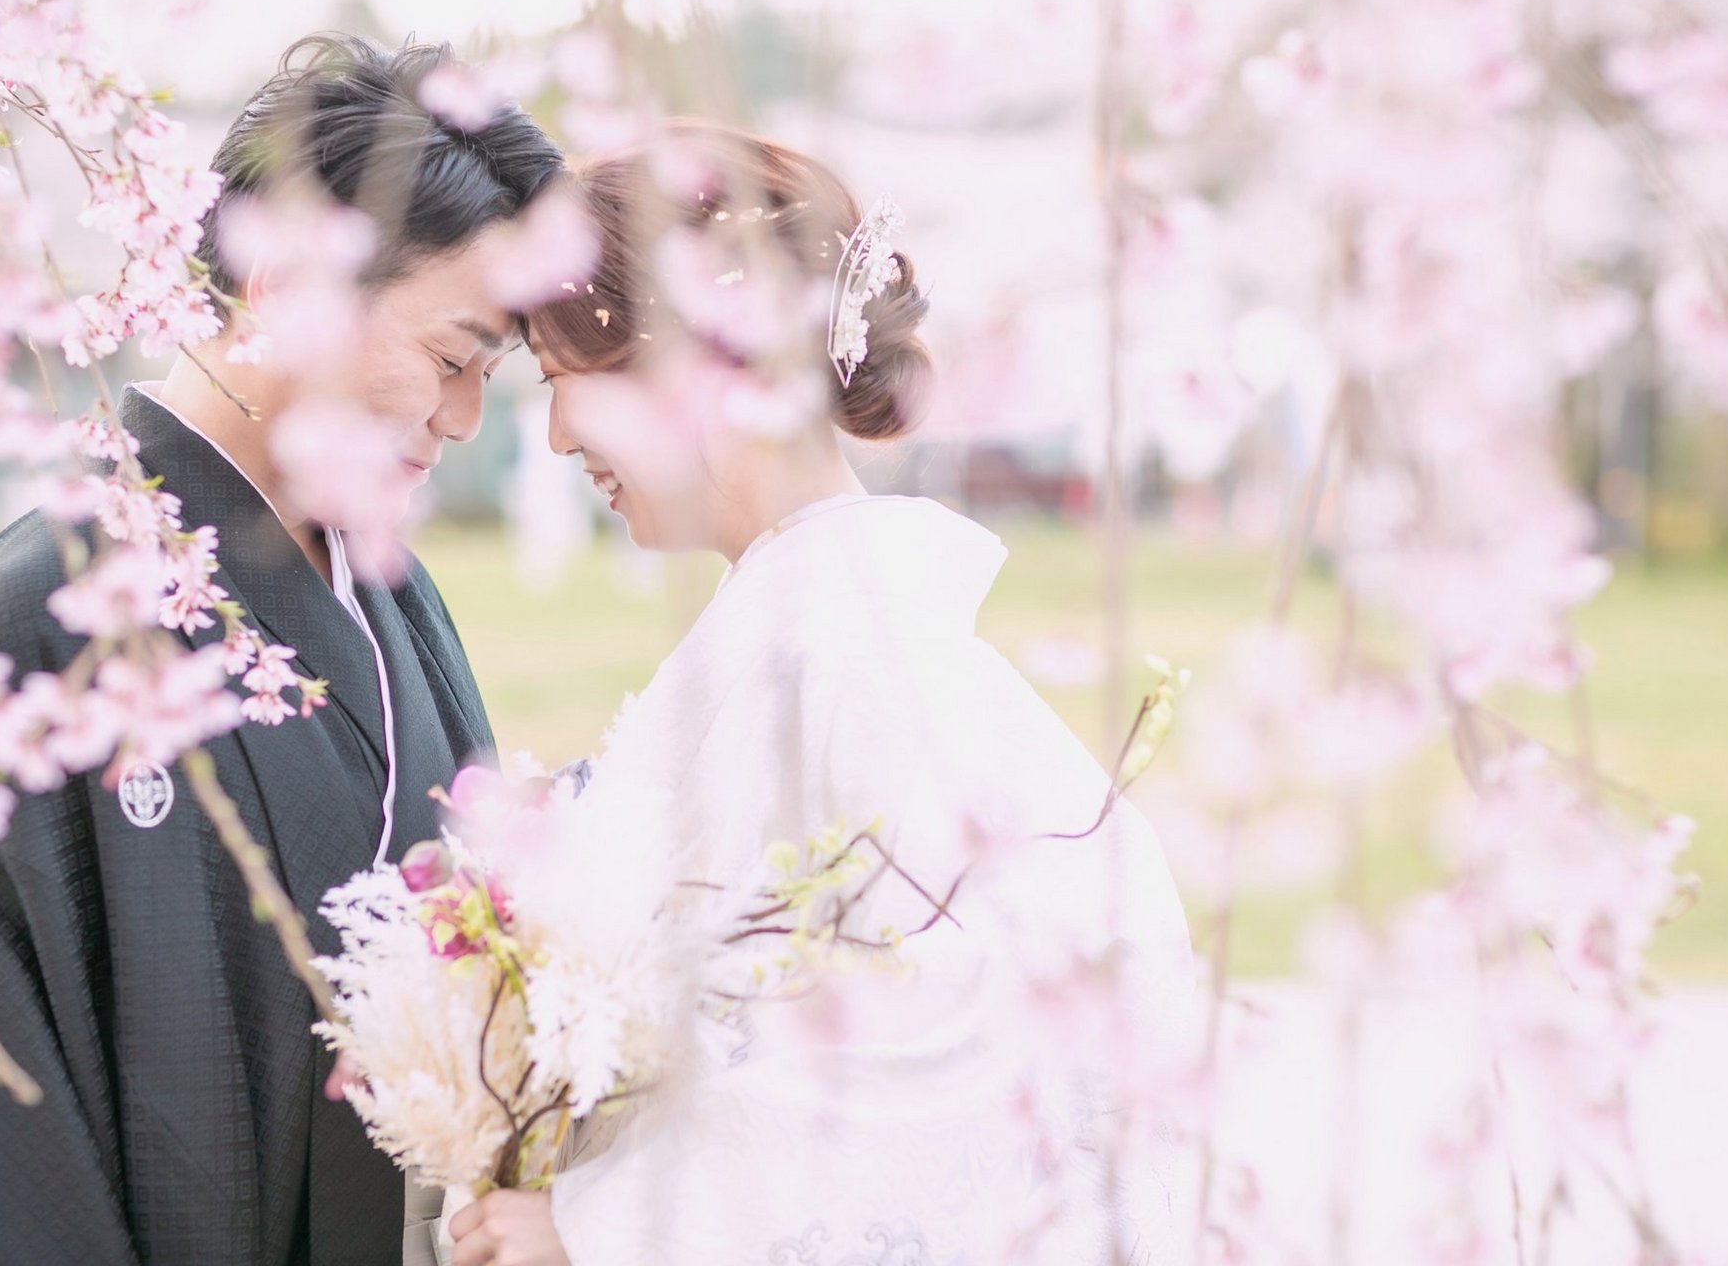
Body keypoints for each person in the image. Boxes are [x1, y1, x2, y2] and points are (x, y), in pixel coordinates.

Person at [0, 34, 561, 1265]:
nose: (462, 417)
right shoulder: (50, 612)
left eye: (488, 373)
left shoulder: (390, 590)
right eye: (452, 359)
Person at [446, 124, 1194, 1266]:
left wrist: (600, 1230)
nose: (551, 437)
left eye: (559, 382)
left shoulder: (854, 653)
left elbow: (953, 1046)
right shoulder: (816, 626)